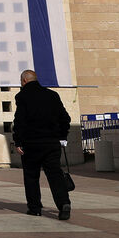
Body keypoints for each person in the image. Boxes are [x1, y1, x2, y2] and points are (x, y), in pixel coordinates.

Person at [12, 69, 73, 219]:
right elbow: (65, 118)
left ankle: (35, 208)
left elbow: (20, 121)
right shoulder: (52, 95)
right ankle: (64, 203)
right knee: (55, 175)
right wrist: (62, 136)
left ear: (24, 81)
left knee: (31, 176)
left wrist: (18, 141)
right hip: (51, 143)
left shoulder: (22, 96)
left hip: (31, 144)